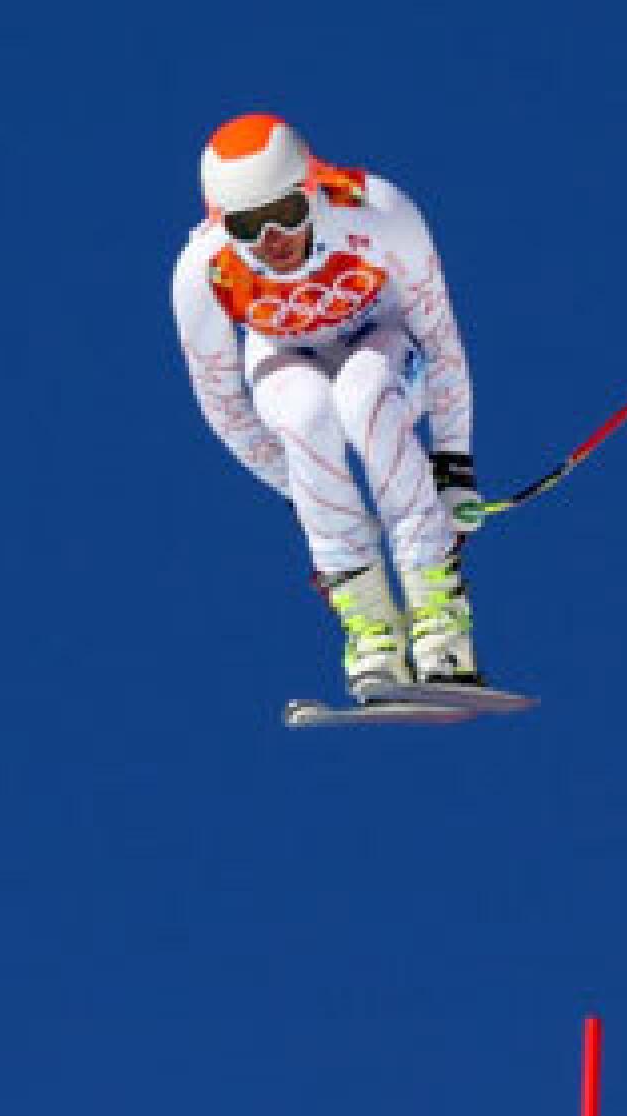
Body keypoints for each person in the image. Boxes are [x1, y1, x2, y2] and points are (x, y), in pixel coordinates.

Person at [171, 113, 483, 700]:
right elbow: (222, 404)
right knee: (304, 409)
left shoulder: (378, 212)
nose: (273, 240)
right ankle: (371, 632)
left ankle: (438, 621)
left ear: (313, 189)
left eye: (286, 213)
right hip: (284, 358)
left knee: (363, 392)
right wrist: (299, 488)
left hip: (383, 344)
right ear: (221, 224)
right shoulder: (204, 271)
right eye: (248, 225)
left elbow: (438, 337)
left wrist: (453, 463)